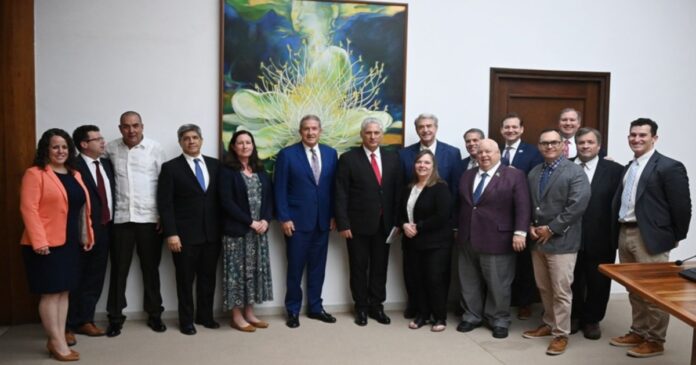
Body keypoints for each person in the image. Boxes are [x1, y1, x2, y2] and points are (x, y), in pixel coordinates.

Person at [610, 118, 691, 358]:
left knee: (654, 292)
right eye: (633, 135)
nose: (637, 139)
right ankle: (638, 331)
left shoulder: (669, 166)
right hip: (625, 232)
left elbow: (682, 206)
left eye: (642, 135)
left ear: (654, 138)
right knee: (634, 288)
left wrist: (676, 236)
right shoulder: (629, 166)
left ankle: (655, 340)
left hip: (651, 237)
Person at [20, 128, 94, 361]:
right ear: (46, 149)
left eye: (64, 147)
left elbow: (82, 209)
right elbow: (28, 209)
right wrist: (39, 241)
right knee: (51, 294)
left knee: (64, 292)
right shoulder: (35, 174)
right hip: (45, 245)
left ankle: (59, 338)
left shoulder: (74, 174)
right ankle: (56, 342)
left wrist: (86, 235)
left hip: (70, 242)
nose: (60, 151)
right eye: (55, 146)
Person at [522, 129, 590, 356]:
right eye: (544, 143)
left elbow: (577, 206)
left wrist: (551, 229)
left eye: (553, 142)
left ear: (562, 145)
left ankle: (561, 334)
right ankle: (549, 323)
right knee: (544, 286)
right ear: (539, 146)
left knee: (561, 290)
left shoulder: (575, 172)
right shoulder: (534, 172)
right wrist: (530, 225)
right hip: (538, 241)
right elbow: (531, 205)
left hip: (562, 242)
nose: (549, 147)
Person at [457, 139, 531, 339]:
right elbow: (464, 206)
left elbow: (523, 206)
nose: (484, 155)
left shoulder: (514, 175)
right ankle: (471, 316)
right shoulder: (467, 175)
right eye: (480, 152)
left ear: (499, 153)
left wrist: (520, 232)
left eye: (489, 151)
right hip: (467, 238)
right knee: (468, 280)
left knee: (499, 283)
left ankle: (499, 319)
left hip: (498, 238)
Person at [105, 111, 167, 336]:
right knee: (119, 271)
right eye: (126, 126)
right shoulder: (110, 149)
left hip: (150, 220)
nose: (131, 130)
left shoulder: (154, 148)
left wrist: (163, 215)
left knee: (150, 269)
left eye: (135, 126)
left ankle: (155, 315)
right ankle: (114, 317)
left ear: (142, 126)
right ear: (120, 128)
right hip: (121, 219)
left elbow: (164, 183)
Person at [336, 118, 402, 326]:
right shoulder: (348, 159)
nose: (372, 136)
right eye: (368, 133)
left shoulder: (393, 158)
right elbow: (340, 193)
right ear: (362, 135)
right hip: (357, 226)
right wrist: (343, 223)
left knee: (380, 268)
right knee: (358, 267)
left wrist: (398, 223)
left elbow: (398, 193)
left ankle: (377, 306)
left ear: (381, 135)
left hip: (385, 226)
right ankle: (361, 307)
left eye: (376, 133)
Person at [274, 115, 338, 328]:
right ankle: (292, 311)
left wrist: (332, 216)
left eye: (314, 129)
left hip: (322, 223)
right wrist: (284, 217)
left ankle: (316, 308)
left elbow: (333, 189)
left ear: (320, 130)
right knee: (295, 268)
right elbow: (280, 189)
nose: (310, 133)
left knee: (318, 268)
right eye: (306, 129)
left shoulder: (331, 153)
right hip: (296, 223)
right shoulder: (287, 155)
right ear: (300, 131)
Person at [157, 124, 221, 335]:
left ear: (201, 140)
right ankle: (186, 321)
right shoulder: (171, 168)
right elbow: (165, 204)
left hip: (211, 234)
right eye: (186, 138)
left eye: (195, 137)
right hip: (184, 236)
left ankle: (205, 316)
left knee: (208, 279)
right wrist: (171, 233)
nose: (191, 141)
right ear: (180, 143)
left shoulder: (215, 165)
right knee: (185, 280)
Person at [398, 113, 460, 318]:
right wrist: (404, 223)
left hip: (439, 228)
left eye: (429, 126)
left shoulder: (452, 153)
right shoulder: (404, 154)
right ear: (417, 129)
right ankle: (417, 308)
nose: (425, 130)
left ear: (436, 127)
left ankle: (437, 312)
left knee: (437, 275)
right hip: (412, 230)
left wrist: (454, 225)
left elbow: (456, 190)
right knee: (414, 273)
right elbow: (401, 190)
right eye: (421, 126)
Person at [569, 128, 623, 340]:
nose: (585, 146)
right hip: (569, 236)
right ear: (576, 144)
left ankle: (592, 320)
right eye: (581, 142)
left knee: (598, 281)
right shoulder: (566, 167)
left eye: (590, 142)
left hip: (601, 236)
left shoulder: (615, 170)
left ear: (599, 146)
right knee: (571, 279)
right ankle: (573, 316)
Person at [219, 130, 273, 332]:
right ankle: (236, 316)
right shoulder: (226, 171)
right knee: (236, 274)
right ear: (233, 146)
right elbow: (226, 202)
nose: (244, 146)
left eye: (248, 142)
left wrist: (266, 220)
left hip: (259, 233)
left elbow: (269, 198)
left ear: (253, 146)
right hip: (237, 232)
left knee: (253, 273)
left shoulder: (260, 169)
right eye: (240, 143)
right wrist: (251, 222)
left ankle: (250, 313)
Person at [67, 125, 114, 341]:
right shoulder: (71, 166)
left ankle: (86, 320)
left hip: (105, 229)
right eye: (97, 139)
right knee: (74, 278)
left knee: (95, 278)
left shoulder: (106, 164)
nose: (103, 142)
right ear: (84, 144)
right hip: (80, 231)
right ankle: (67, 325)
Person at [398, 150, 452, 332]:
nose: (422, 165)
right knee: (417, 279)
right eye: (419, 162)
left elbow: (443, 216)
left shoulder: (440, 187)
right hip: (412, 243)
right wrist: (404, 224)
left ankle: (440, 317)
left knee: (435, 280)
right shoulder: (409, 187)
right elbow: (400, 212)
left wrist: (418, 227)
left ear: (433, 166)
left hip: (436, 244)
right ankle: (422, 315)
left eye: (427, 163)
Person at [499, 113, 543, 320]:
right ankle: (503, 301)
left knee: (523, 262)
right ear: (501, 131)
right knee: (502, 261)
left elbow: (536, 181)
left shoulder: (533, 152)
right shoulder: (495, 151)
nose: (510, 130)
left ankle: (525, 302)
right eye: (507, 127)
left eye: (514, 127)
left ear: (522, 129)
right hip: (498, 214)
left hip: (522, 212)